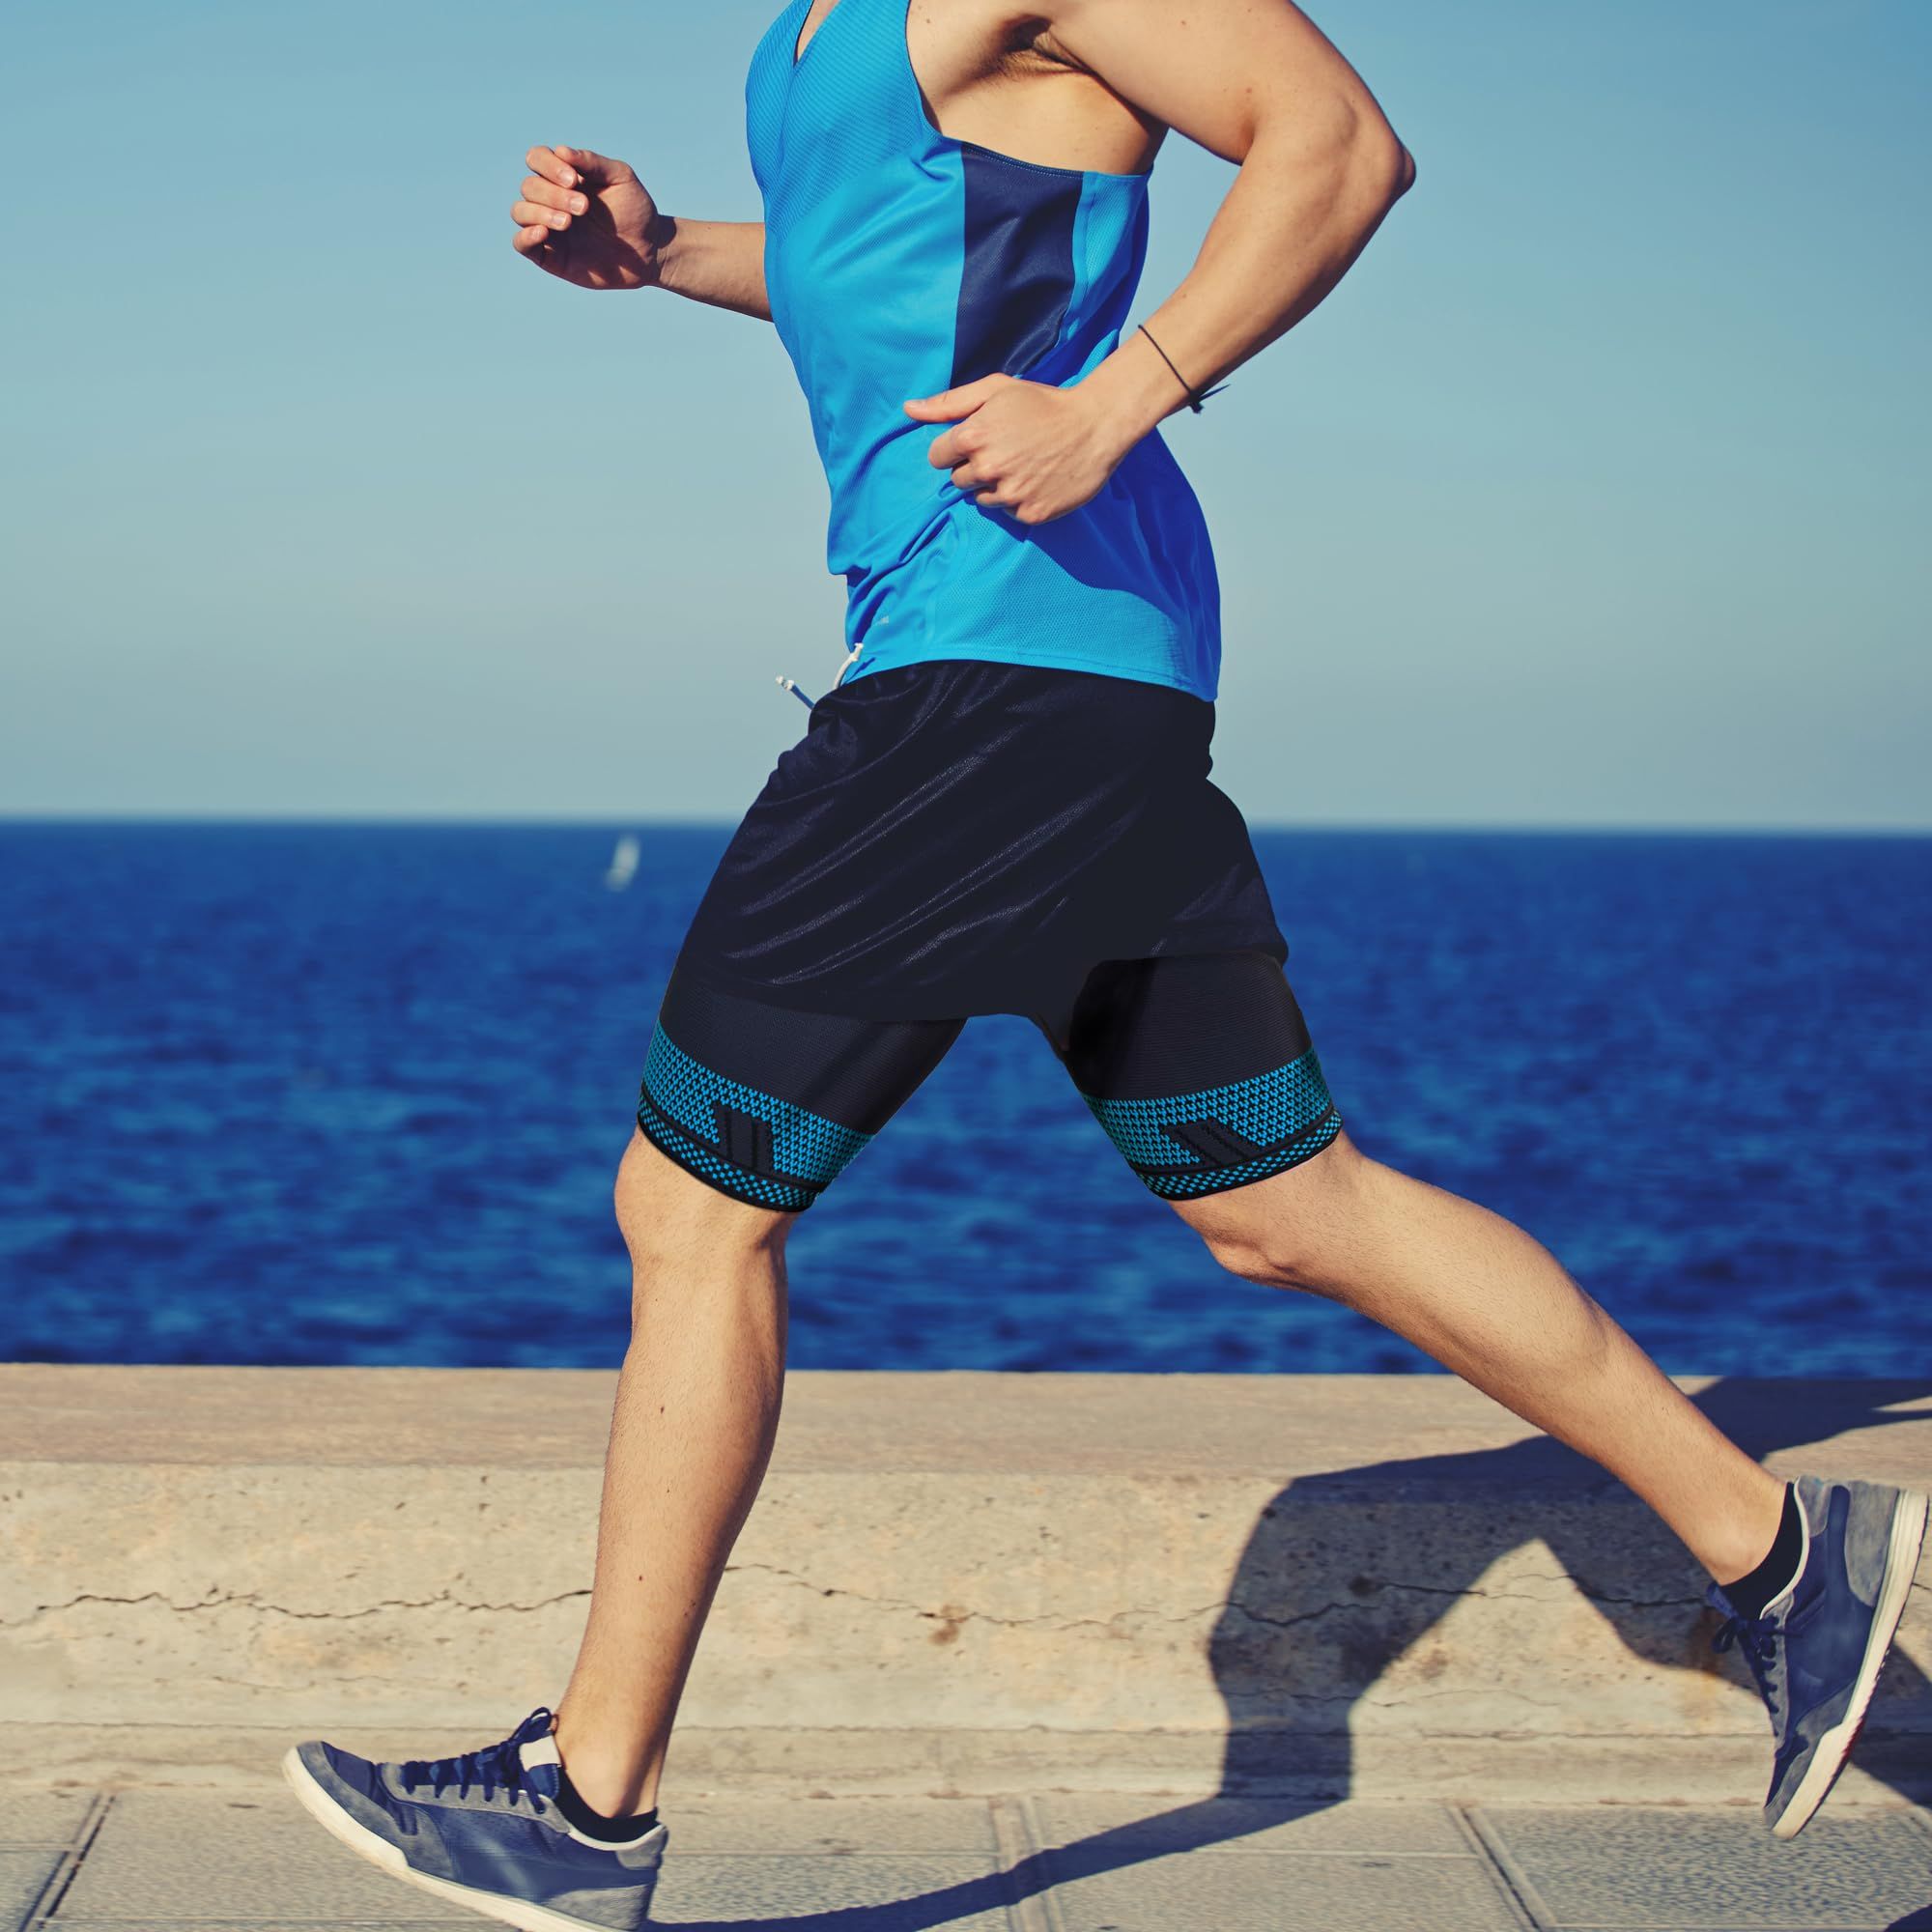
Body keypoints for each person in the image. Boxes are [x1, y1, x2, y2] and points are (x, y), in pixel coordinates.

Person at [279, 1, 1926, 1925]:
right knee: (1287, 1206)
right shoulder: (807, 40)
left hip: (989, 680)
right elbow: (877, 274)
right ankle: (1783, 1561)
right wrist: (656, 256)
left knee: (692, 1204)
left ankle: (585, 1800)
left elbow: (1334, 140)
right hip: (1070, 689)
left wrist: (1119, 394)